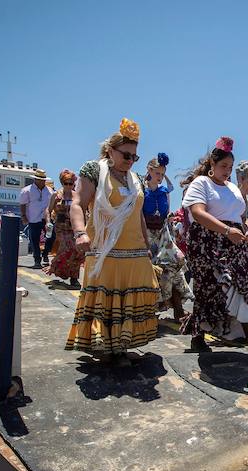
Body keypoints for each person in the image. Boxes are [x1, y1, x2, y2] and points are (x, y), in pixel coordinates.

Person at [65, 118, 160, 365]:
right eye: (126, 155)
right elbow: (77, 204)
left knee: (133, 297)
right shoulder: (93, 170)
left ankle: (122, 344)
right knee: (108, 298)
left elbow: (138, 213)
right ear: (110, 150)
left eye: (134, 157)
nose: (130, 161)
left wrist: (147, 246)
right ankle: (111, 349)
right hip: (105, 250)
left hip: (134, 251)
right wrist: (80, 233)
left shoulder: (135, 178)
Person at [179, 136, 248, 364]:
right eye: (222, 166)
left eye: (229, 167)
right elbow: (198, 213)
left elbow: (242, 215)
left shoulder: (233, 189)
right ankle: (200, 336)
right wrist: (227, 232)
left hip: (236, 247)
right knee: (212, 291)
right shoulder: (201, 184)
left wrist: (246, 232)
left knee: (242, 290)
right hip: (209, 245)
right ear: (212, 165)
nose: (227, 171)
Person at [46, 170, 85, 287]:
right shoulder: (56, 195)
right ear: (62, 183)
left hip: (73, 227)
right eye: (66, 183)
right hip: (61, 227)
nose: (68, 186)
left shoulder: (77, 196)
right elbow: (48, 210)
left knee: (77, 251)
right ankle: (54, 266)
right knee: (67, 247)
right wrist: (48, 222)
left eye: (71, 183)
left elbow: (83, 211)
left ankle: (74, 277)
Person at [18, 169, 52, 268]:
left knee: (51, 236)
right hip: (33, 219)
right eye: (39, 179)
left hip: (46, 219)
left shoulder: (49, 191)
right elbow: (22, 204)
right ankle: (37, 259)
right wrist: (24, 216)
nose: (42, 181)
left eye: (43, 179)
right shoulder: (26, 190)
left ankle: (45, 254)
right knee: (34, 240)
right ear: (35, 179)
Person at [142, 153, 174, 256]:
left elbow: (167, 210)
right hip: (145, 233)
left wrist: (170, 216)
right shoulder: (141, 189)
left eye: (162, 174)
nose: (160, 177)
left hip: (162, 233)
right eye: (157, 173)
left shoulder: (164, 191)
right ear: (149, 170)